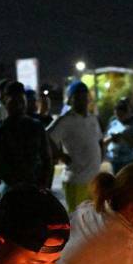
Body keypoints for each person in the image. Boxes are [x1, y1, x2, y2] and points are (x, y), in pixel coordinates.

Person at [47, 81, 103, 212]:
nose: (83, 99)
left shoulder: (92, 119)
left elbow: (99, 139)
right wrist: (60, 155)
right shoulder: (65, 120)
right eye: (79, 96)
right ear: (71, 100)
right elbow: (46, 137)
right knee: (76, 218)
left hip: (94, 179)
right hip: (76, 181)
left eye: (85, 96)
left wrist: (101, 155)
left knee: (91, 218)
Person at [0, 81, 53, 190]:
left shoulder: (36, 126)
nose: (18, 105)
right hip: (12, 188)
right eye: (14, 102)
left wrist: (42, 184)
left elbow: (47, 158)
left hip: (35, 187)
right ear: (5, 102)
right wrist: (16, 184)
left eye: (21, 101)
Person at [104, 97, 133, 174]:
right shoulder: (113, 122)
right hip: (115, 160)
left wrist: (124, 136)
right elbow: (104, 141)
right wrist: (112, 138)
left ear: (126, 113)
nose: (118, 117)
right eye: (116, 115)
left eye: (120, 115)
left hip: (128, 160)